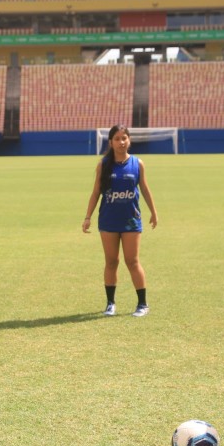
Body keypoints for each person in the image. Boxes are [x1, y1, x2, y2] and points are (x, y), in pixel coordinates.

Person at [81, 124, 158, 317]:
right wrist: (88, 217)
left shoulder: (137, 164)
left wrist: (154, 212)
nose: (121, 142)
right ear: (111, 142)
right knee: (111, 262)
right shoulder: (103, 164)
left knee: (132, 261)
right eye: (117, 139)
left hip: (131, 221)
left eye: (124, 138)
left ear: (129, 140)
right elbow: (96, 192)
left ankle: (142, 304)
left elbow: (145, 190)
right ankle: (110, 303)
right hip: (108, 220)